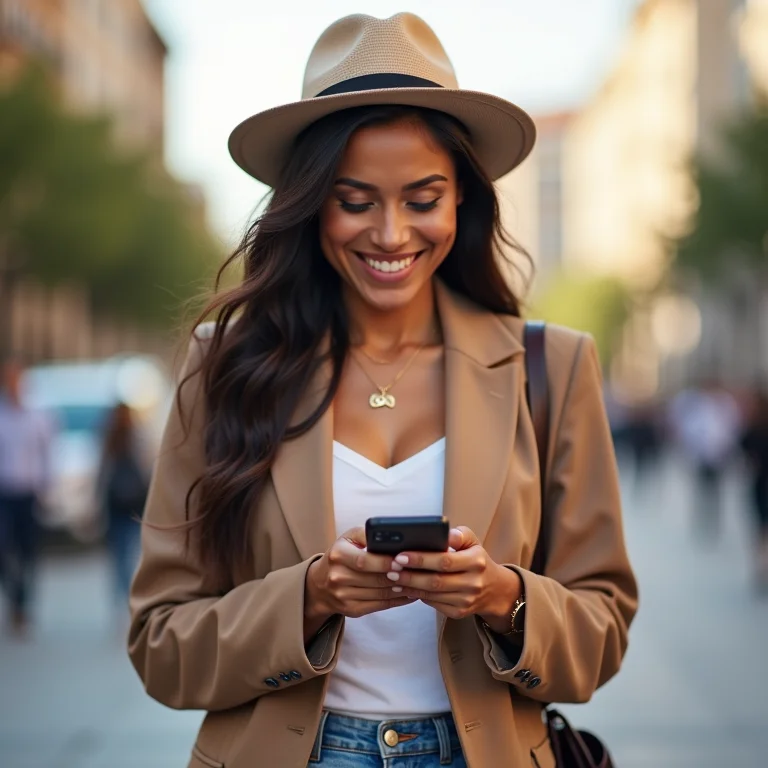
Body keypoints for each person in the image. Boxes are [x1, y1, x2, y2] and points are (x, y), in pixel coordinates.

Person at [128, 13, 638, 768]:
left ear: (462, 197)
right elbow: (160, 645)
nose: (392, 234)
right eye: (356, 200)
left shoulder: (552, 367)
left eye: (422, 199)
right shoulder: (226, 365)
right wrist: (312, 596)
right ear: (308, 204)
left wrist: (500, 595)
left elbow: (602, 636)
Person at [0, 356, 54, 637]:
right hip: (4, 492)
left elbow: (47, 453)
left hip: (29, 492)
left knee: (27, 551)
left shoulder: (38, 415)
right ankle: (14, 598)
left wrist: (46, 486)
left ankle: (23, 605)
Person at [98, 402, 149, 611]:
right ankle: (131, 597)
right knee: (133, 554)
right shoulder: (136, 437)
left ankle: (125, 598)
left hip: (117, 504)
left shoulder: (111, 438)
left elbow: (102, 473)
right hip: (133, 504)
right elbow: (148, 469)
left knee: (120, 557)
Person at [740, 389, 768, 593]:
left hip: (760, 483)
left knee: (760, 529)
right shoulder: (754, 427)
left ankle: (761, 567)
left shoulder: (753, 427)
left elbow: (743, 449)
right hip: (760, 484)